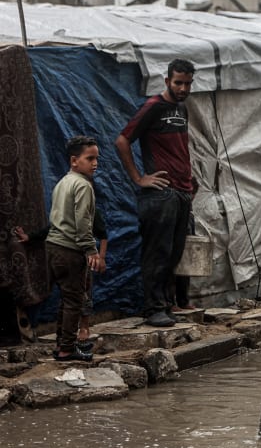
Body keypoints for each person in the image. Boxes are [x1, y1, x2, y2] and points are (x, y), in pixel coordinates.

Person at [115, 58, 197, 328]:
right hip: (162, 193)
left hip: (183, 191)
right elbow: (122, 140)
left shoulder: (181, 109)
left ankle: (166, 304)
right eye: (178, 83)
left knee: (174, 254)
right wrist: (139, 178)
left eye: (187, 83)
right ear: (167, 81)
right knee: (157, 253)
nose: (183, 88)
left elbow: (179, 150)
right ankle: (153, 309)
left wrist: (189, 178)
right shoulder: (153, 107)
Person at [41, 136, 104, 361]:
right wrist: (91, 250)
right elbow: (83, 222)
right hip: (69, 250)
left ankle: (62, 346)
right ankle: (67, 348)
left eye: (96, 158)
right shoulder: (83, 185)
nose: (95, 163)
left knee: (67, 299)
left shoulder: (63, 182)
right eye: (90, 158)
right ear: (74, 160)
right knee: (75, 300)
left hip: (53, 247)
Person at [14, 204, 108, 352]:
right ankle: (63, 340)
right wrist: (29, 237)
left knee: (83, 293)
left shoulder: (91, 210)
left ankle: (83, 327)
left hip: (82, 256)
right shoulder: (65, 211)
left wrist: (101, 258)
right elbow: (50, 229)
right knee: (68, 298)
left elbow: (103, 235)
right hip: (63, 255)